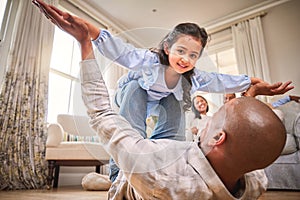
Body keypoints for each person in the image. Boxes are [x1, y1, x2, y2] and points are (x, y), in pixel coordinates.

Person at [33, 3, 290, 198]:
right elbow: (121, 51)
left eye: (193, 55)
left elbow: (220, 80)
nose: (186, 59)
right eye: (180, 51)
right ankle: (117, 176)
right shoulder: (149, 61)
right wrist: (92, 33)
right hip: (133, 91)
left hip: (165, 100)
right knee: (135, 99)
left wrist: (250, 82)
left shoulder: (193, 76)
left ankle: (163, 161)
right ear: (167, 48)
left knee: (176, 105)